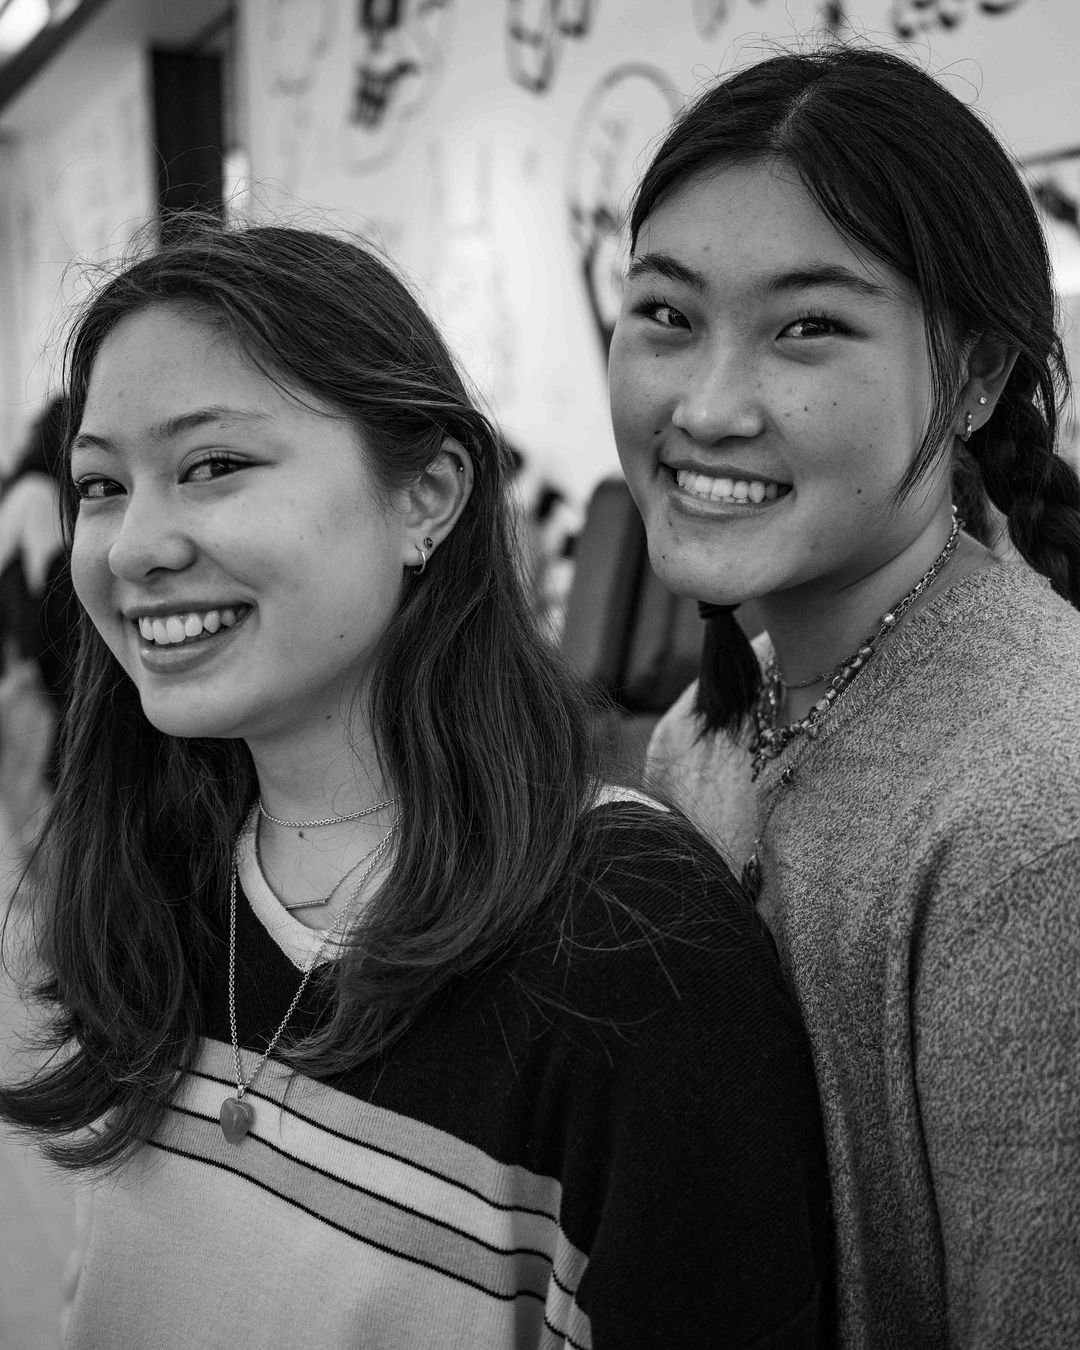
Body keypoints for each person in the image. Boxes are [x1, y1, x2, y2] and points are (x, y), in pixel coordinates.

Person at [0, 222, 833, 1348]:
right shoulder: (158, 877)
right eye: (101, 485)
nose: (132, 547)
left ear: (428, 495)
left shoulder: (629, 942)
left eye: (215, 466)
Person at [608, 44, 1080, 1350]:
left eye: (808, 325)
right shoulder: (704, 734)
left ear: (977, 376)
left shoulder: (1035, 815)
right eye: (666, 314)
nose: (708, 406)